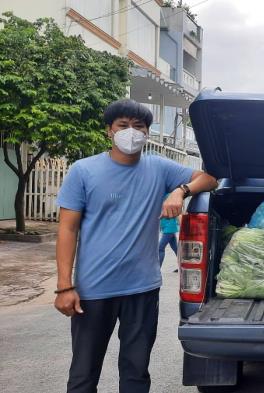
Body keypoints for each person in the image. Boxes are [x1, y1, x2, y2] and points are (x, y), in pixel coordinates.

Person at [54, 99, 218, 393]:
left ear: (147, 133)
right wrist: (64, 286)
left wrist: (179, 192)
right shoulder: (83, 171)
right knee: (83, 373)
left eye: (138, 126)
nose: (131, 132)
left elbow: (209, 179)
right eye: (123, 126)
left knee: (136, 372)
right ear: (109, 131)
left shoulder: (158, 167)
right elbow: (67, 229)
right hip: (93, 290)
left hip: (142, 289)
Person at [158, 197, 179, 268]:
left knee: (160, 248)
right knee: (176, 249)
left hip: (169, 227)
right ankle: (181, 266)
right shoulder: (162, 197)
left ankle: (158, 268)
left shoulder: (168, 196)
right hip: (168, 227)